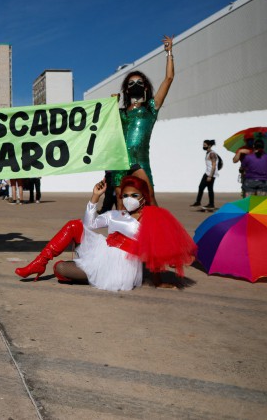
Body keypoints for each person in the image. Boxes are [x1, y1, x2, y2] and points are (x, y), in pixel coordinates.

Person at [14, 175, 195, 291]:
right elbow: (89, 224)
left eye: (134, 195)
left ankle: (76, 267)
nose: (128, 199)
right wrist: (95, 197)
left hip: (118, 268)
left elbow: (154, 252)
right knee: (74, 225)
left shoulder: (152, 217)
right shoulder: (115, 215)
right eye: (125, 195)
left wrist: (158, 281)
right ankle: (39, 263)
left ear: (143, 197)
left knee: (60, 269)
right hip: (101, 250)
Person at [112, 35, 175, 208]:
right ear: (126, 89)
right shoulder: (121, 112)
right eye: (131, 83)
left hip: (140, 159)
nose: (135, 85)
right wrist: (112, 104)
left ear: (146, 86)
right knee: (120, 198)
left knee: (149, 196)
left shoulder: (151, 108)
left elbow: (168, 79)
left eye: (139, 82)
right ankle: (121, 233)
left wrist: (169, 51)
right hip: (120, 160)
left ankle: (156, 232)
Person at [190, 139, 219, 210]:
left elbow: (214, 165)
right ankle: (203, 202)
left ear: (209, 145)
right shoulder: (208, 153)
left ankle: (209, 204)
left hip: (210, 174)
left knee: (207, 188)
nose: (203, 146)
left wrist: (210, 176)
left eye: (205, 145)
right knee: (204, 188)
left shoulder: (212, 154)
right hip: (207, 173)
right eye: (203, 145)